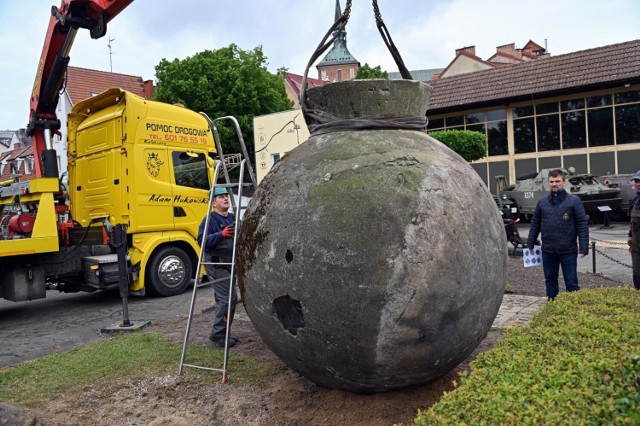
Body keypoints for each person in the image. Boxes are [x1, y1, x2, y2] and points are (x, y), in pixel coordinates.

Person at [526, 169, 589, 300]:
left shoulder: (574, 201)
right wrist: (530, 243)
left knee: (571, 282)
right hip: (548, 250)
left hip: (568, 251)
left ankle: (573, 310)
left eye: (557, 181)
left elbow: (582, 224)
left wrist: (584, 247)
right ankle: (552, 305)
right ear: (548, 183)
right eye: (552, 182)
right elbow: (535, 223)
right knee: (550, 280)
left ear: (564, 182)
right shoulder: (542, 202)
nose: (554, 184)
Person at [197, 187, 238, 347]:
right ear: (214, 203)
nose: (226, 198)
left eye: (226, 196)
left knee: (223, 299)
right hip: (216, 265)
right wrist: (221, 234)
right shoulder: (209, 220)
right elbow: (202, 241)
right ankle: (218, 334)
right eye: (221, 197)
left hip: (230, 264)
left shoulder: (233, 218)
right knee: (228, 299)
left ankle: (223, 332)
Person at [627, 170, 640, 290]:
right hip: (636, 246)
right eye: (636, 181)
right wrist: (630, 235)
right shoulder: (636, 201)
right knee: (637, 276)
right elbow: (632, 222)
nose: (638, 184)